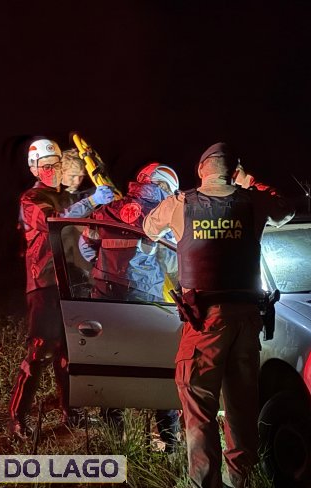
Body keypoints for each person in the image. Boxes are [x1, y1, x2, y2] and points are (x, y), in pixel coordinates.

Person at [143, 143, 294, 488]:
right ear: (234, 171)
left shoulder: (181, 203)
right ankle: (239, 479)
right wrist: (250, 182)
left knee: (199, 407)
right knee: (242, 406)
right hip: (245, 322)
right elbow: (286, 210)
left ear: (201, 171)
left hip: (204, 323)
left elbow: (149, 229)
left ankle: (204, 482)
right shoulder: (253, 201)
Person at [8, 138, 115, 439]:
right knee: (40, 350)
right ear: (33, 168)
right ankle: (17, 418)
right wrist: (92, 201)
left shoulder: (65, 196)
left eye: (55, 165)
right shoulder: (32, 198)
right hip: (45, 281)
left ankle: (73, 413)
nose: (51, 170)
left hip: (74, 280)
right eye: (44, 166)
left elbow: (80, 215)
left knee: (71, 352)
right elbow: (54, 220)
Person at [78, 162, 182, 453]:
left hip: (105, 300)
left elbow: (85, 247)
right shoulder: (161, 214)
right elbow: (173, 262)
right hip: (145, 302)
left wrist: (103, 267)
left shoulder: (108, 209)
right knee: (159, 366)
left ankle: (115, 440)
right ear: (163, 187)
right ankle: (169, 441)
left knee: (111, 366)